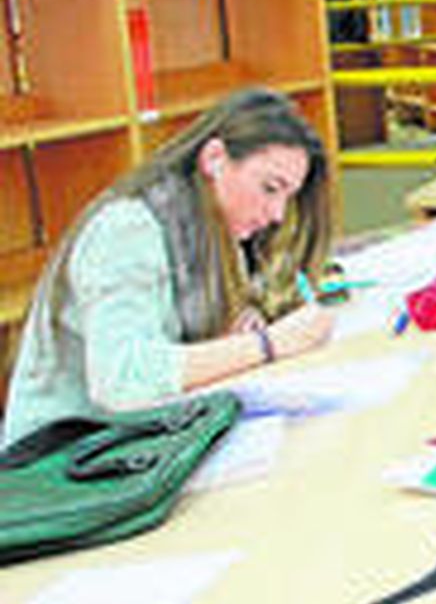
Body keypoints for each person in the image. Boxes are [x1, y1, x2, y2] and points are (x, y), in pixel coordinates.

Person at [3, 87, 336, 444]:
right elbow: (122, 381)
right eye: (270, 188)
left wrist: (231, 335)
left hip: (133, 442)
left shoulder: (214, 226)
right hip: (58, 461)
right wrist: (267, 344)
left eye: (288, 196)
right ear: (215, 159)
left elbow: (178, 337)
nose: (277, 215)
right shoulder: (127, 229)